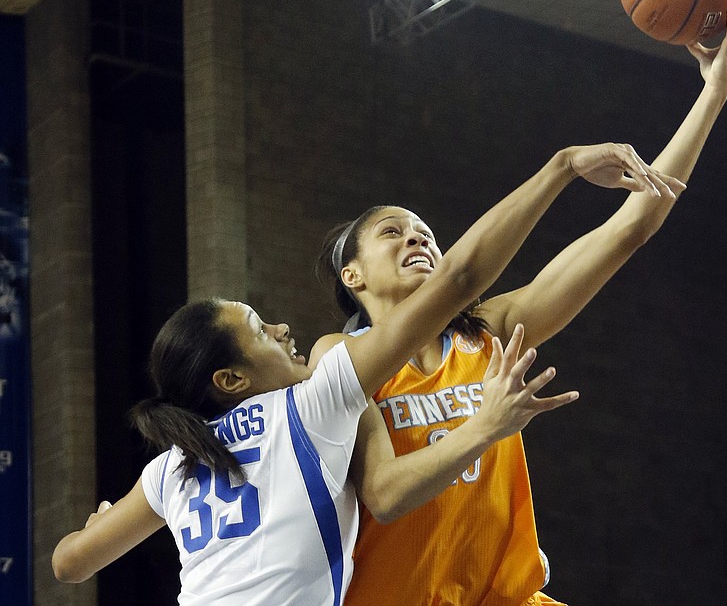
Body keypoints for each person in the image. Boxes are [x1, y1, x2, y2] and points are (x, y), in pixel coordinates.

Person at [50, 135, 674, 605]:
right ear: (231, 379)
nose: (281, 327)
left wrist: (100, 524)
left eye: (424, 230)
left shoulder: (174, 465)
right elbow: (387, 490)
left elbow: (68, 564)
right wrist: (562, 164)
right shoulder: (319, 392)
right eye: (260, 326)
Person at [311, 0, 727, 606]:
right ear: (350, 275)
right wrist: (485, 426)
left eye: (428, 234)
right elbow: (384, 496)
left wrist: (714, 93)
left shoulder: (484, 332)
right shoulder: (340, 357)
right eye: (393, 232)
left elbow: (634, 223)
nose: (419, 240)